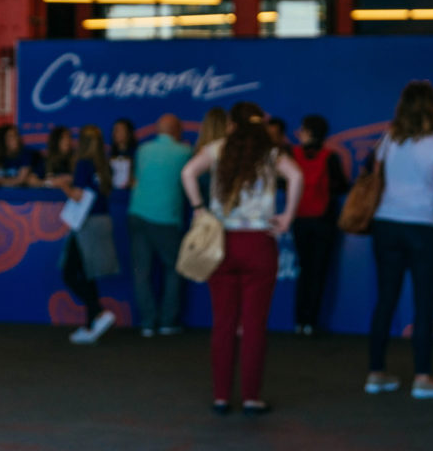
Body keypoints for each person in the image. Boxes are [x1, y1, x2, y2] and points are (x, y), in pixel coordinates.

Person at [181, 102, 303, 416]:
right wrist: (287, 216)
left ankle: (221, 397)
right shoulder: (272, 153)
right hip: (259, 243)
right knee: (253, 325)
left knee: (223, 323)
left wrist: (198, 208)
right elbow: (297, 177)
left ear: (231, 124)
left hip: (221, 241)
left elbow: (188, 173)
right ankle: (251, 398)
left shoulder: (216, 148)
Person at [365, 81, 433, 400]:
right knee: (423, 302)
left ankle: (376, 373)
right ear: (431, 107)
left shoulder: (389, 139)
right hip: (422, 227)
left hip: (386, 224)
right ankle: (422, 377)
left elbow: (376, 180)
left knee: (385, 299)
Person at [53, 125, 119, 345]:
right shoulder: (105, 164)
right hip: (103, 221)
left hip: (86, 224)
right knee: (87, 273)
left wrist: (63, 186)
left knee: (70, 272)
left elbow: (79, 196)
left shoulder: (83, 163)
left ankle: (98, 313)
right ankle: (92, 325)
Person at [128, 114, 192, 337]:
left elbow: (135, 179)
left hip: (137, 213)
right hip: (166, 217)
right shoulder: (185, 152)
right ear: (177, 130)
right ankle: (167, 321)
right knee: (175, 268)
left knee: (141, 271)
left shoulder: (143, 150)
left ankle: (147, 323)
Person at [291, 114, 349, 336]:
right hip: (323, 220)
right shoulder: (329, 157)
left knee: (304, 269)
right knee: (319, 271)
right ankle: (311, 322)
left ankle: (299, 320)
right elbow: (342, 187)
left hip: (300, 219)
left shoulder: (293, 155)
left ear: (308, 132)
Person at [0, 124, 42, 188]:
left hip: (18, 194)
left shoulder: (26, 153)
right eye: (11, 136)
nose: (16, 139)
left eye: (16, 135)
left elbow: (21, 180)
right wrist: (10, 181)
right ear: (2, 139)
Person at [193, 107, 228, 206]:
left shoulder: (198, 153)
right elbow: (187, 174)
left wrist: (198, 207)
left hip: (207, 210)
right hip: (222, 209)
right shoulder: (227, 151)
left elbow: (187, 174)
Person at [109, 118, 137, 189]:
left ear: (128, 133)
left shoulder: (137, 154)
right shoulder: (110, 155)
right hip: (114, 194)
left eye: (120, 130)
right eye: (115, 130)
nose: (116, 133)